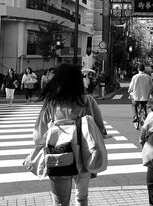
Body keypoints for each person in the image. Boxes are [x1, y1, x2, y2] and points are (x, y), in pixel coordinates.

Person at [33, 64, 108, 206]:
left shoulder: (51, 103)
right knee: (81, 199)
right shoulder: (87, 101)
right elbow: (101, 130)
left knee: (61, 202)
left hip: (58, 156)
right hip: (84, 159)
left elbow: (39, 137)